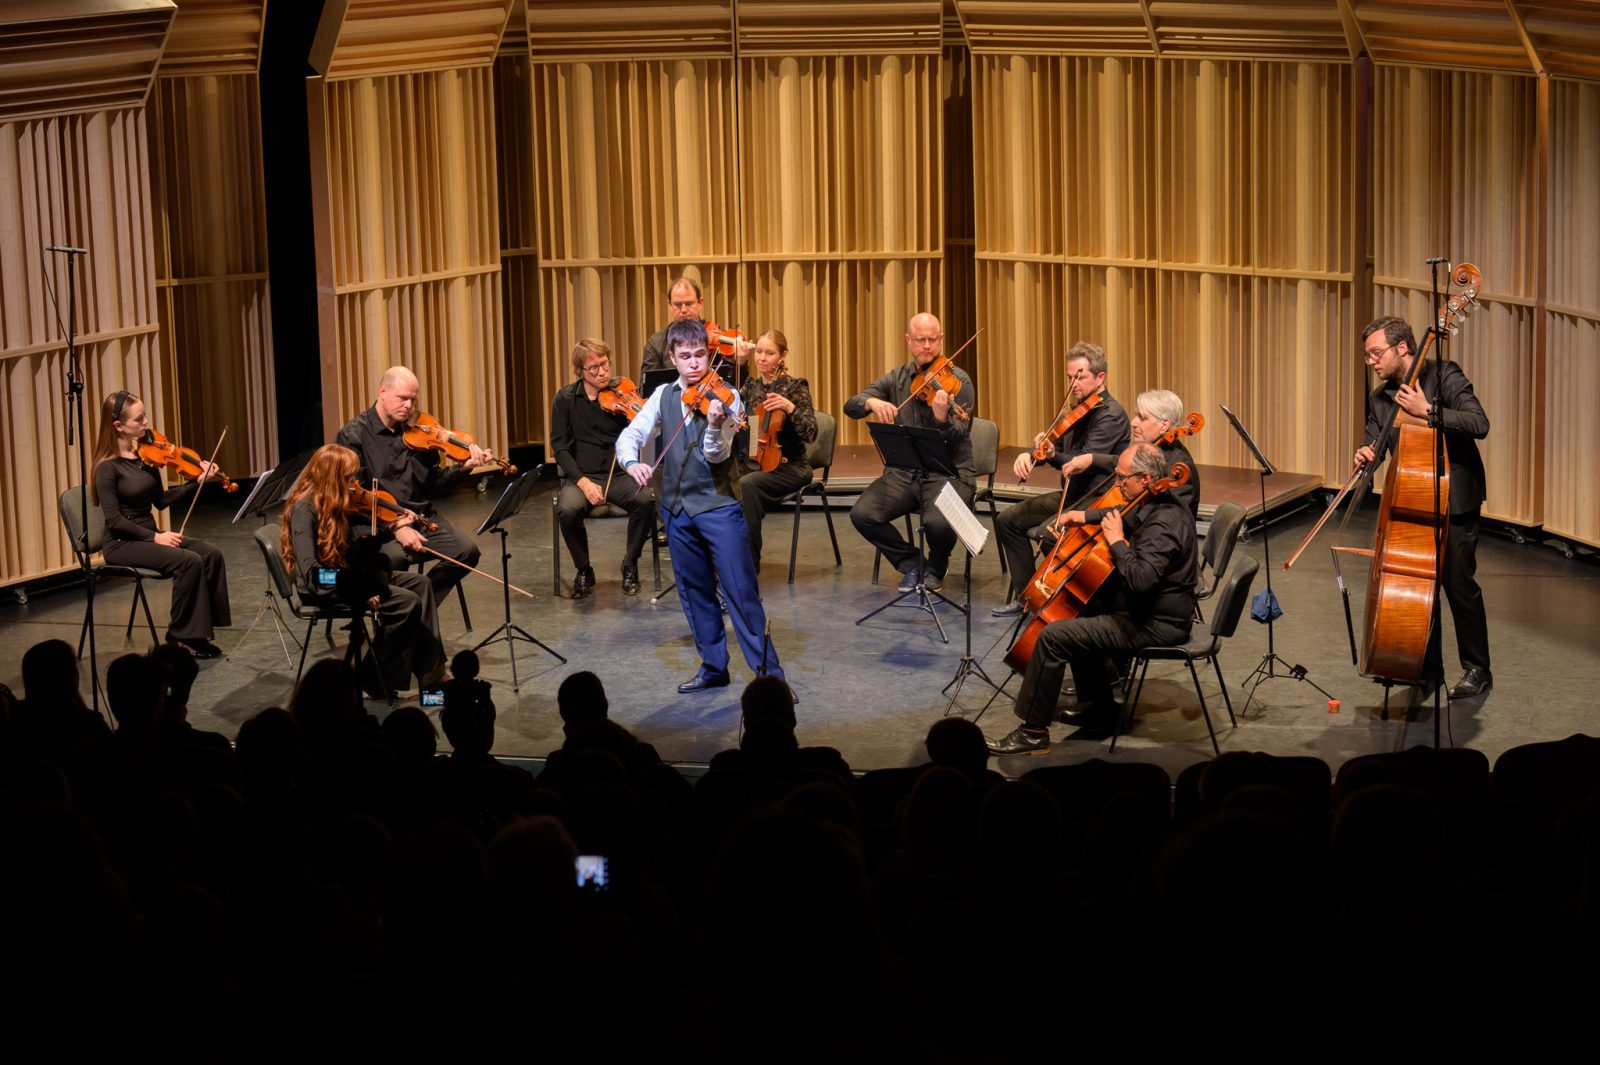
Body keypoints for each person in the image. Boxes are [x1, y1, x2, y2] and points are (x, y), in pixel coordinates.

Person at [987, 443, 1198, 754]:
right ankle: (1102, 710)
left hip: (1157, 623)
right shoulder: (1153, 499)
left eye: (1121, 478)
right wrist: (1081, 516)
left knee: (1053, 636)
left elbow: (1140, 580)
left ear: (1144, 479)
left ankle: (1033, 733)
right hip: (1148, 610)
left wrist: (1116, 542)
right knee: (1079, 610)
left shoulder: (1164, 523)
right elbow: (1122, 513)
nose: (1116, 483)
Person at [617, 319, 784, 692]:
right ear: (673, 357)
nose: (693, 363)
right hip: (676, 510)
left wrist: (712, 426)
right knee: (694, 593)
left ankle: (770, 677)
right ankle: (713, 667)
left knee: (740, 591)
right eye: (685, 356)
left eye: (699, 355)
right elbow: (632, 435)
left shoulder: (728, 397)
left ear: (708, 355)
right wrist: (631, 462)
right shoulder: (663, 395)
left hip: (718, 506)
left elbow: (717, 454)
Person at [1354, 315, 1491, 699]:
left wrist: (1427, 411)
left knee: (1458, 586)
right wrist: (1365, 454)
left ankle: (1478, 669)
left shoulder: (1444, 374)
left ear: (1402, 347)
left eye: (1376, 353)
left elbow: (1479, 423)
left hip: (1455, 499)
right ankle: (1426, 668)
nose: (1372, 362)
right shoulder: (1380, 398)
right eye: (1368, 357)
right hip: (1410, 502)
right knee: (1418, 584)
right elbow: (1375, 442)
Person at [280, 444, 446, 697]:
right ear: (332, 478)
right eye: (348, 478)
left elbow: (357, 543)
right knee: (407, 602)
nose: (354, 484)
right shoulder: (304, 510)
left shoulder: (332, 502)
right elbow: (312, 573)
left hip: (347, 575)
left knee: (420, 584)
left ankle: (432, 676)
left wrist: (392, 527)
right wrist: (358, 586)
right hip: (325, 585)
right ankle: (371, 675)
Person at [90, 390, 231, 657]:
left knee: (211, 554)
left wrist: (197, 482)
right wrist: (155, 537)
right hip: (122, 542)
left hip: (148, 534)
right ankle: (179, 637)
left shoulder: (146, 457)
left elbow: (161, 501)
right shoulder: (107, 468)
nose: (146, 423)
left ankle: (199, 633)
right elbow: (115, 520)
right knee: (189, 561)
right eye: (138, 419)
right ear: (118, 426)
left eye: (144, 416)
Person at [992, 342, 1129, 616]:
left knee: (1048, 533)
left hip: (1094, 498)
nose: (1073, 384)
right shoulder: (1077, 410)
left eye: (1080, 377)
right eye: (1069, 378)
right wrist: (1030, 454)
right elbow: (1051, 442)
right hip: (1071, 494)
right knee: (1008, 520)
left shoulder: (1111, 415)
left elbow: (1078, 464)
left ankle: (1063, 600)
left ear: (1100, 377)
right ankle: (1027, 598)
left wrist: (1053, 455)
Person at [335, 366, 489, 604]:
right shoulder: (353, 435)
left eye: (413, 400)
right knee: (393, 560)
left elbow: (432, 486)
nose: (408, 406)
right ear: (382, 392)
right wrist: (394, 526)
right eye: (402, 398)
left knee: (466, 552)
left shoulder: (419, 434)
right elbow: (354, 498)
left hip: (420, 518)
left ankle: (418, 607)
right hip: (376, 525)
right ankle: (403, 613)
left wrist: (463, 468)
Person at [844, 312, 976, 591]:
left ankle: (937, 565)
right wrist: (872, 403)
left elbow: (960, 433)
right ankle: (914, 564)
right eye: (920, 340)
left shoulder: (959, 381)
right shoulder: (897, 378)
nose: (927, 346)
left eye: (932, 339)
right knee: (863, 514)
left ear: (941, 339)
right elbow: (851, 405)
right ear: (908, 340)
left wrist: (941, 419)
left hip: (950, 473)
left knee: (937, 523)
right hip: (906, 473)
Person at [549, 338, 656, 597]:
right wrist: (582, 482)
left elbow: (642, 430)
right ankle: (584, 569)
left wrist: (643, 415)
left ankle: (630, 564)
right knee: (567, 510)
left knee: (645, 502)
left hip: (619, 474)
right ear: (580, 371)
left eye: (605, 364)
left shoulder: (621, 393)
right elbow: (560, 448)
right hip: (582, 477)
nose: (602, 372)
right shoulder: (565, 399)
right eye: (594, 367)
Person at [1056, 388, 1201, 525]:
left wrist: (1089, 517)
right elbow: (1124, 463)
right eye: (1136, 415)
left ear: (1164, 426)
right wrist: (1091, 459)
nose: (1133, 423)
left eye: (1142, 418)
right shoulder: (1152, 451)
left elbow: (1158, 518)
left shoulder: (1179, 470)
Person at [736, 329, 817, 572]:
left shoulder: (795, 387)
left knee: (747, 486)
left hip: (790, 466)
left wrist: (791, 408)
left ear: (783, 356)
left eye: (769, 353)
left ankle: (748, 568)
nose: (762, 358)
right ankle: (725, 563)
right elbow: (732, 408)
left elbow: (811, 433)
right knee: (721, 481)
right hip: (756, 463)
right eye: (759, 351)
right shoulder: (751, 387)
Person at [641, 276, 706, 375]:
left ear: (700, 303)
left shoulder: (719, 342)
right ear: (670, 305)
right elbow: (648, 384)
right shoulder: (656, 344)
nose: (684, 310)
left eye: (689, 303)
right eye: (678, 305)